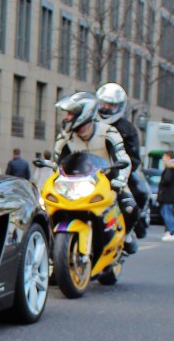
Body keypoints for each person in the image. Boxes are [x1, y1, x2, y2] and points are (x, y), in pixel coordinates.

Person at [53, 93, 135, 242]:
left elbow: (123, 158)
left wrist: (121, 179)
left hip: (108, 182)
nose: (67, 118)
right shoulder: (64, 138)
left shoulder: (108, 133)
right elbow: (57, 164)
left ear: (84, 114)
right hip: (75, 185)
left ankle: (126, 237)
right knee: (48, 208)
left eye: (70, 114)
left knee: (130, 207)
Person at [96, 82, 149, 245]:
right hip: (90, 171)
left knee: (140, 192)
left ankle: (131, 228)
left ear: (119, 107)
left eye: (110, 105)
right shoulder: (91, 124)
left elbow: (134, 158)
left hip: (117, 172)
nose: (105, 108)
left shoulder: (128, 128)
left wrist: (120, 171)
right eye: (103, 103)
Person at [157, 150, 174, 241]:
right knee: (169, 213)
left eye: (164, 156)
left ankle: (171, 232)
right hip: (173, 194)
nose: (163, 159)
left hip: (168, 194)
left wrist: (162, 183)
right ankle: (172, 231)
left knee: (168, 213)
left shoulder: (170, 168)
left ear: (168, 157)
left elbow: (167, 180)